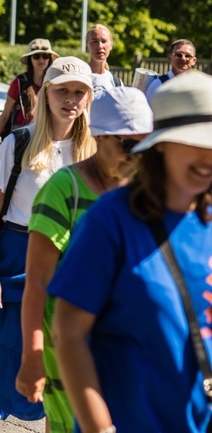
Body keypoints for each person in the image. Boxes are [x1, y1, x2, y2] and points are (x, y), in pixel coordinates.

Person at [49, 72, 212, 432]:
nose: (207, 157)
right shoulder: (110, 220)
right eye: (195, 143)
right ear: (161, 144)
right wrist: (99, 427)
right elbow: (68, 332)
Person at [0, 57, 95, 431]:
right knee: (7, 363)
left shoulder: (94, 151)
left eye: (79, 92)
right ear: (46, 92)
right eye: (62, 90)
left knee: (61, 373)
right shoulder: (18, 143)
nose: (71, 99)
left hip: (72, 265)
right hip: (17, 261)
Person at [16, 87, 153, 432]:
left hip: (126, 343)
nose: (137, 155)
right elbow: (37, 281)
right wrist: (32, 355)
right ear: (99, 135)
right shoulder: (64, 189)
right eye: (127, 144)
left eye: (147, 145)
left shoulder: (146, 191)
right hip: (66, 344)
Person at [0, 39, 58, 149]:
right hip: (21, 137)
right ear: (30, 59)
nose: (41, 59)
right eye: (36, 56)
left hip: (45, 137)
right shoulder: (19, 82)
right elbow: (5, 114)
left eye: (45, 56)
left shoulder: (54, 82)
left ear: (49, 59)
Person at [85, 24, 121, 99]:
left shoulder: (116, 82)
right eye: (94, 42)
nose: (100, 46)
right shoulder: (80, 76)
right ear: (87, 46)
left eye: (104, 41)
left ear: (111, 45)